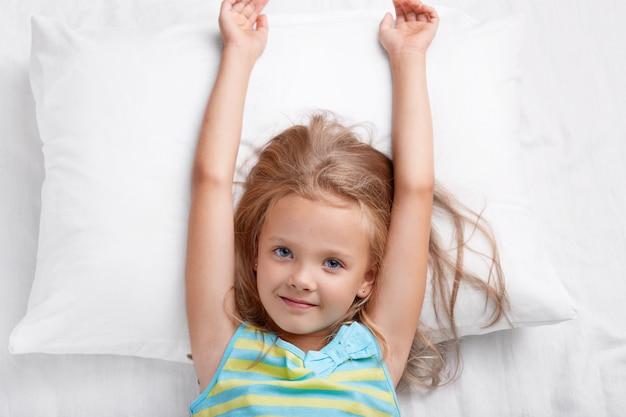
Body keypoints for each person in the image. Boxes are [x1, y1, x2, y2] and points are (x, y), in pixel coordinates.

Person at [185, 0, 507, 415]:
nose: (302, 279)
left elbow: (415, 190)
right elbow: (210, 183)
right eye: (283, 252)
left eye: (333, 263)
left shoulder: (376, 357)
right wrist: (238, 53)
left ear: (368, 279)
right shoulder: (223, 353)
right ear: (254, 254)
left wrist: (408, 57)